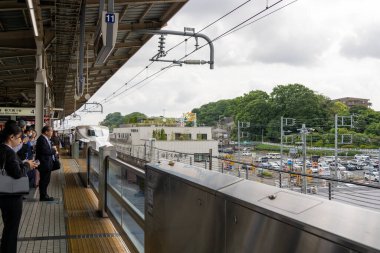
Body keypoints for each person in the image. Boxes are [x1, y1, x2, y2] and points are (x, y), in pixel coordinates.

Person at [0, 121, 38, 253]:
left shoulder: (1, 149)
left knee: (8, 227)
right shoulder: (9, 152)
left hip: (3, 194)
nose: (20, 141)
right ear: (11, 137)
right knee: (11, 229)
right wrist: (28, 165)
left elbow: (11, 168)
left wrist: (22, 163)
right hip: (12, 196)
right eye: (18, 138)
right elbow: (18, 173)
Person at [35, 125, 57, 201]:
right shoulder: (41, 139)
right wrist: (54, 150)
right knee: (44, 180)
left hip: (46, 163)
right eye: (51, 131)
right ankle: (43, 196)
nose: (52, 132)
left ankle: (45, 195)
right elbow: (45, 151)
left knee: (46, 180)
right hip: (44, 164)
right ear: (46, 132)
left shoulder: (45, 139)